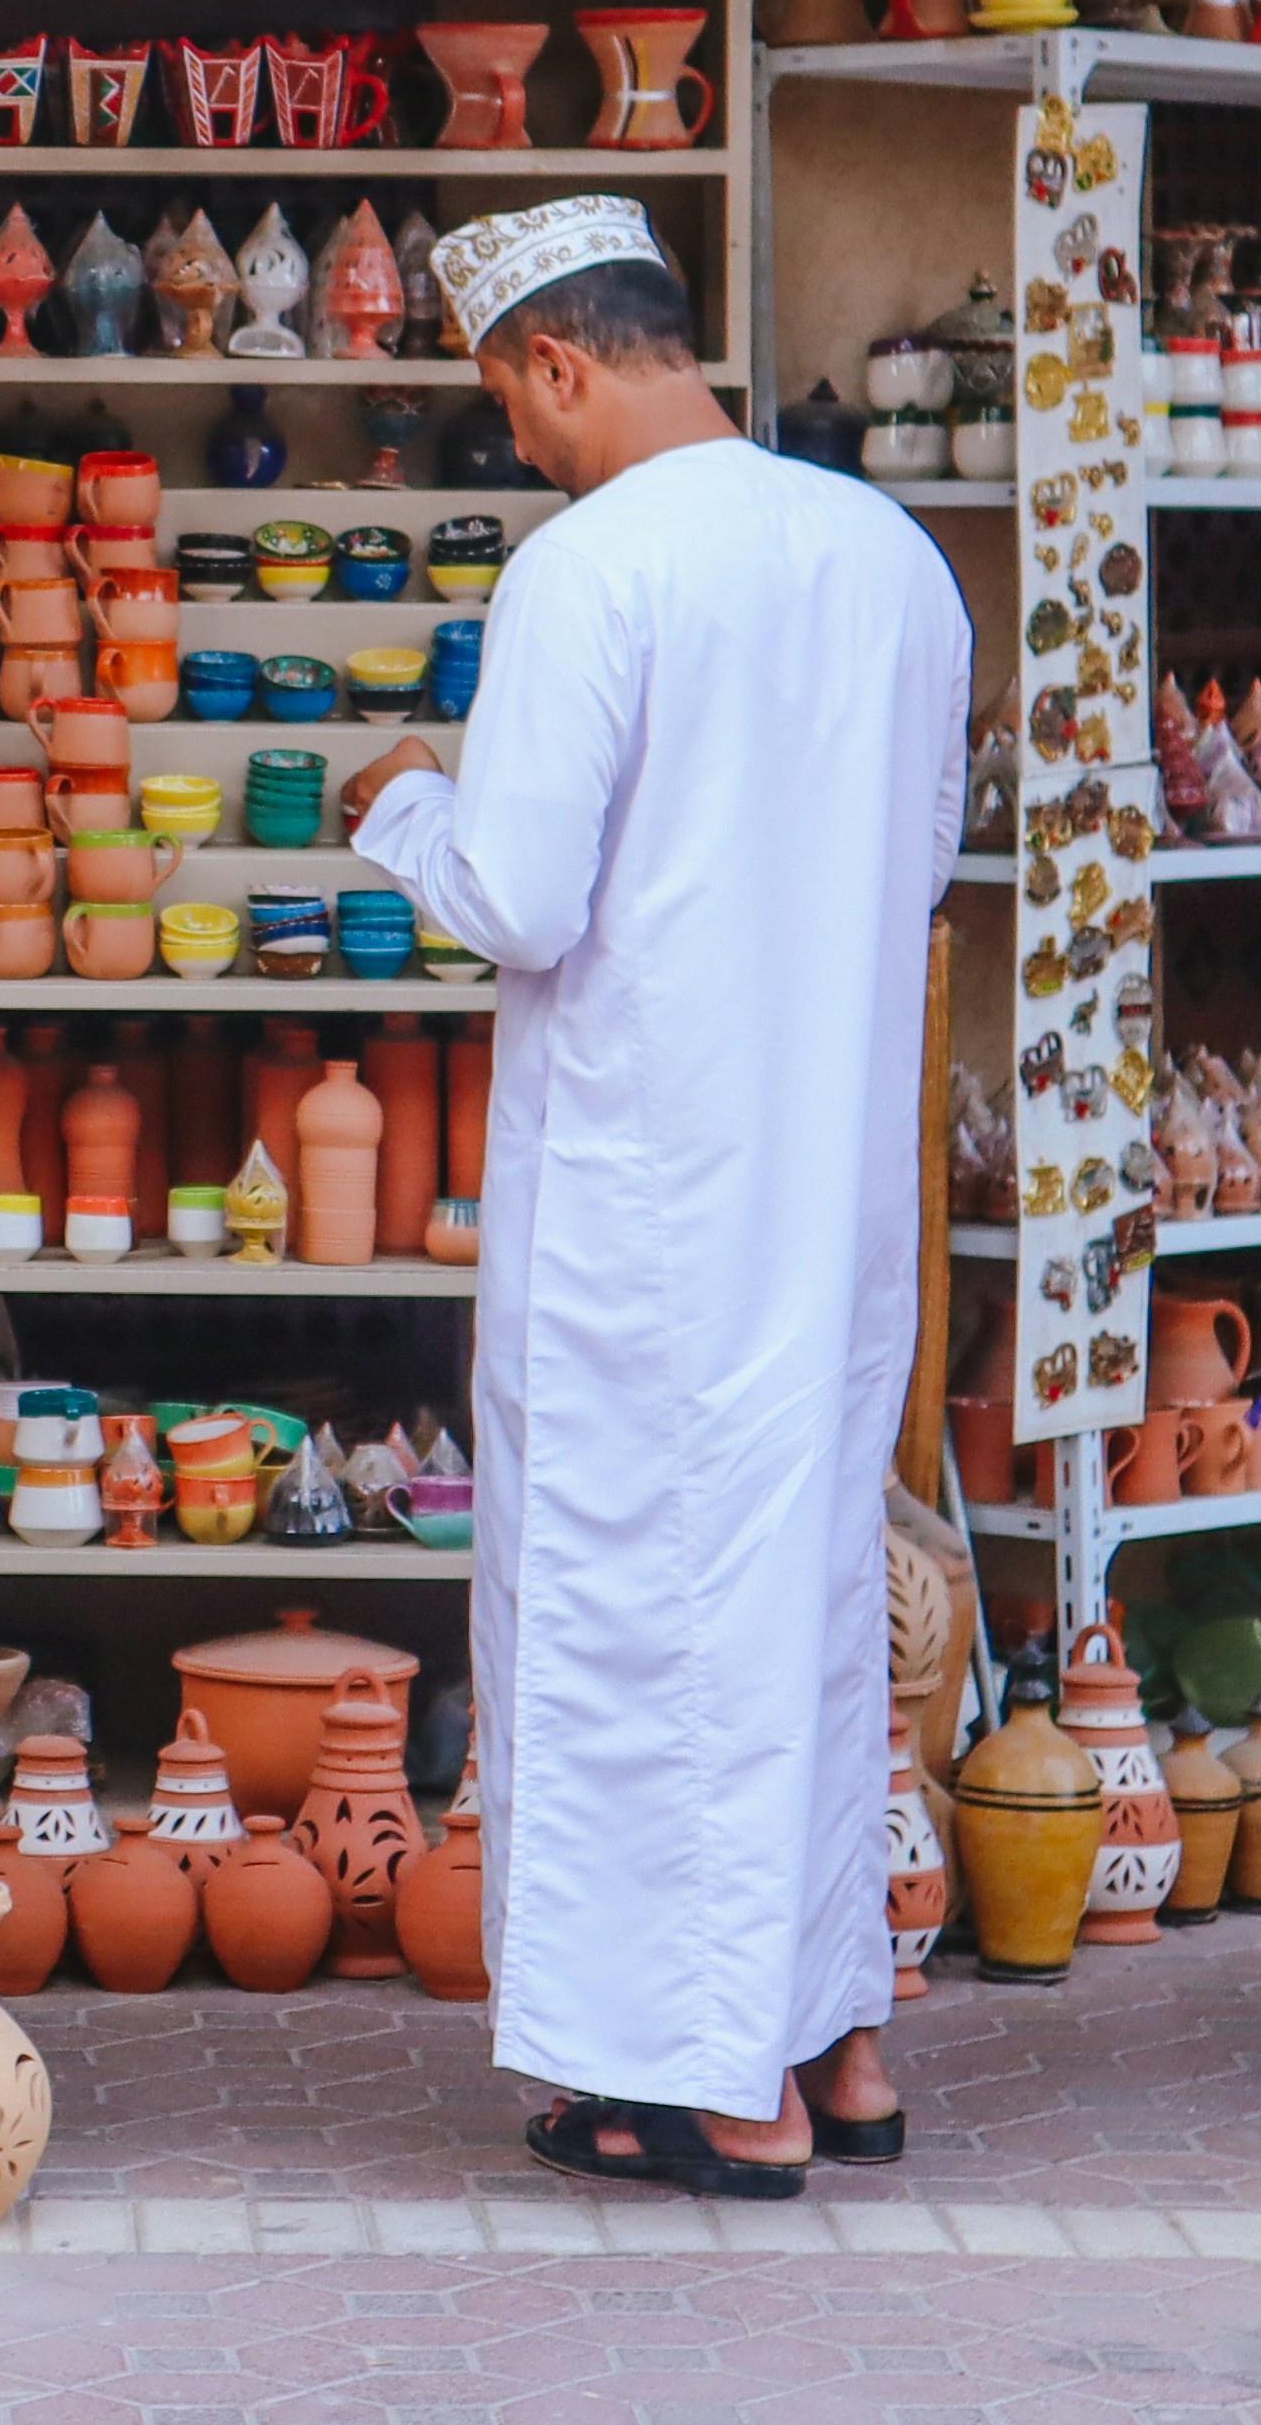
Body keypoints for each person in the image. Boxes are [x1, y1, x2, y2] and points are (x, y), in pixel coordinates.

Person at [334, 200, 962, 2199]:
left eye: (512, 401)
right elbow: (923, 872)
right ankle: (839, 2046)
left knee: (640, 1634)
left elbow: (517, 892)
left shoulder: (589, 568)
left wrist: (399, 803)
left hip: (648, 1208)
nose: (520, 443)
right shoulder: (894, 558)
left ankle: (716, 2085)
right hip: (830, 1190)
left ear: (560, 363)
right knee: (801, 1619)